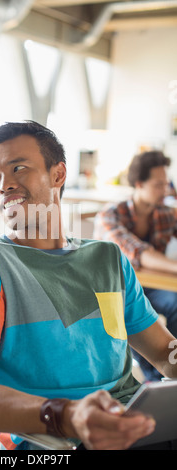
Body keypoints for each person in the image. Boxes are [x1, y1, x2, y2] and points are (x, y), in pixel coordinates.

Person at [0, 122, 177, 451]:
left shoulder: (108, 258)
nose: (3, 185)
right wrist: (66, 415)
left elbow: (165, 353)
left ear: (58, 175)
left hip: (135, 424)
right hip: (50, 439)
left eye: (18, 168)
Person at [94, 150, 177, 382]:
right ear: (139, 184)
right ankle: (153, 379)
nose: (166, 190)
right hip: (114, 289)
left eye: (167, 183)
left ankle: (171, 371)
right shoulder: (110, 216)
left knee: (174, 302)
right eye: (159, 184)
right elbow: (139, 254)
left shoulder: (165, 214)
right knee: (132, 314)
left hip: (149, 287)